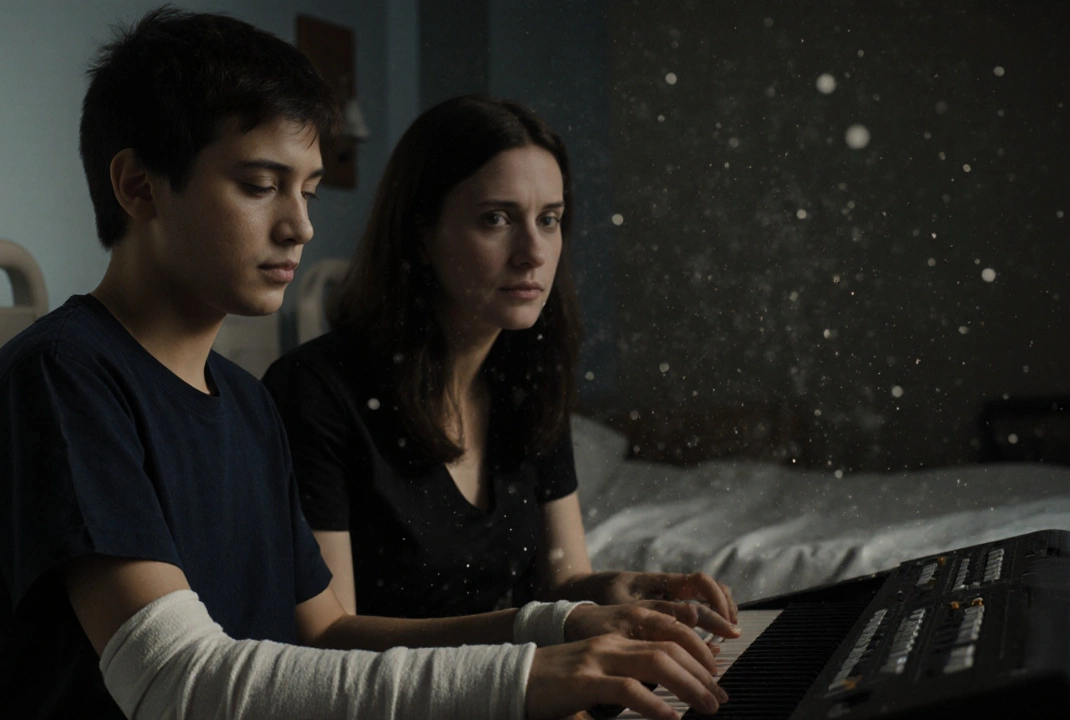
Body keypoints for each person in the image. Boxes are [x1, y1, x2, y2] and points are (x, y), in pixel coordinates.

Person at [0, 9, 733, 720]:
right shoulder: (63, 377)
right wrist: (526, 677)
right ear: (139, 187)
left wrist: (558, 627)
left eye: (310, 192)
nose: (301, 228)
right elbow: (175, 681)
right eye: (261, 186)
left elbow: (328, 633)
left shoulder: (245, 404)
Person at [262, 96, 741, 624]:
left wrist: (618, 589)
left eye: (550, 220)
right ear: (421, 235)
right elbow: (327, 639)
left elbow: (563, 581)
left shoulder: (530, 377)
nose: (533, 251)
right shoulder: (316, 391)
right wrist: (540, 633)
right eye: (496, 218)